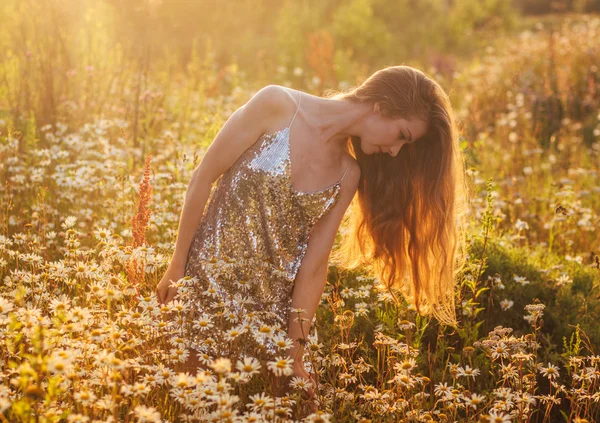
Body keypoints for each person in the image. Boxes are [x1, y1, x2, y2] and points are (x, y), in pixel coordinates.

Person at [155, 65, 470, 408]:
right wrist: (177, 265)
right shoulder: (275, 104)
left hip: (272, 325)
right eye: (402, 136)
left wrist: (295, 355)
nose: (396, 151)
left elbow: (314, 267)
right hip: (204, 298)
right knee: (186, 407)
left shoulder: (349, 173)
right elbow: (203, 177)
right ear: (381, 106)